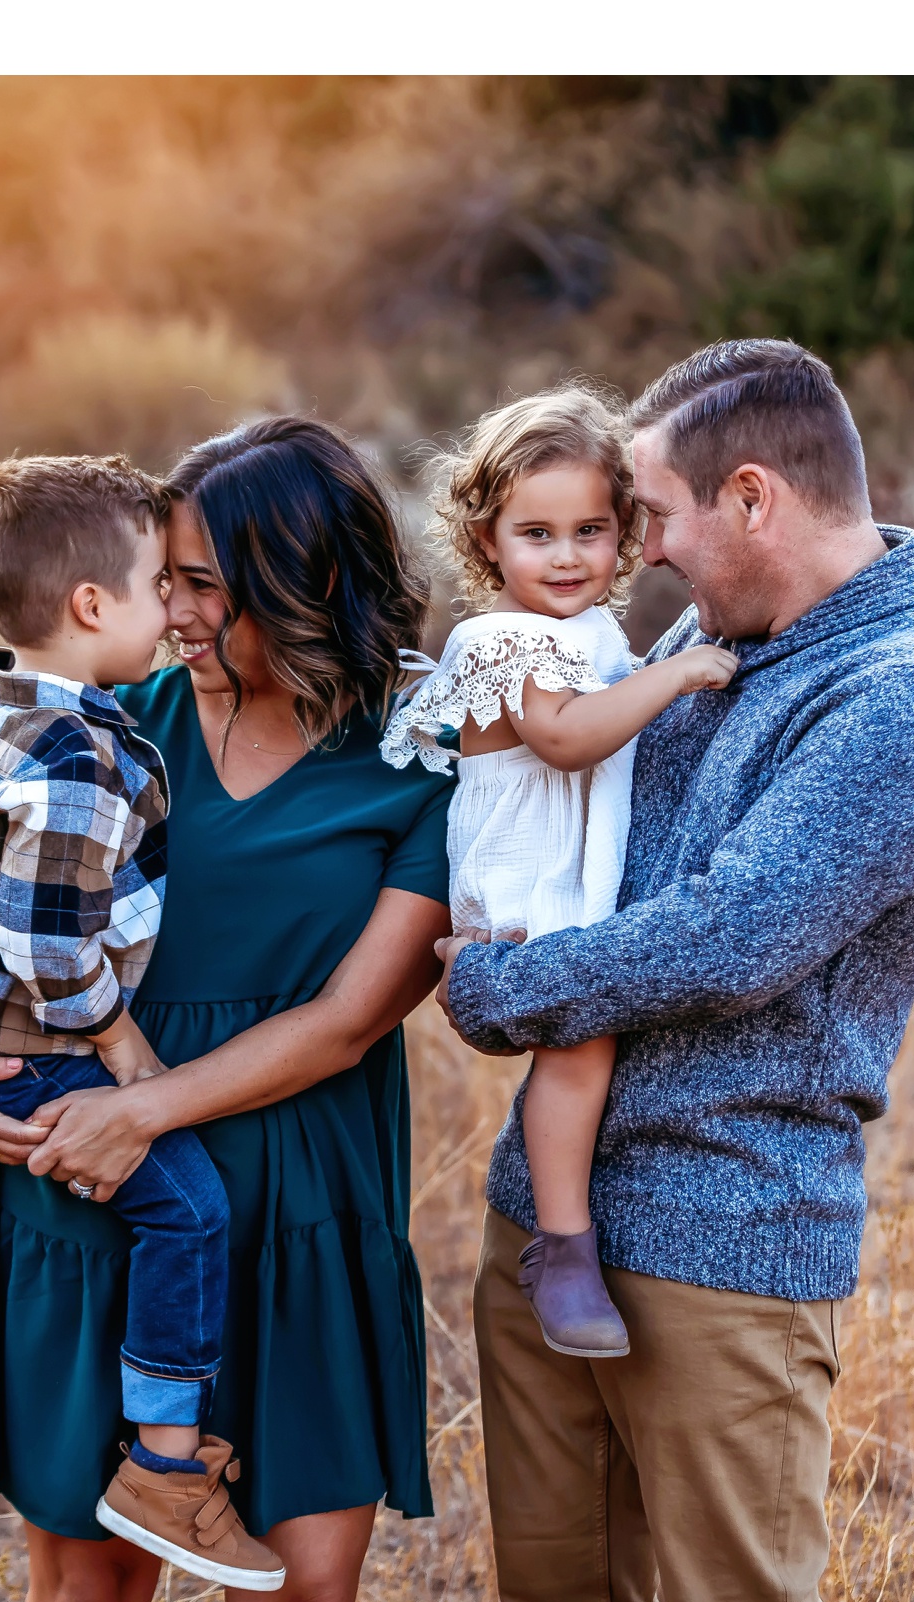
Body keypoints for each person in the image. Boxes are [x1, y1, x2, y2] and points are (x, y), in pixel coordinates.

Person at [436, 340, 914, 1602]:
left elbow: (732, 934)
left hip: (721, 1249)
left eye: (649, 517)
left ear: (750, 499)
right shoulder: (714, 625)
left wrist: (496, 987)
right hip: (547, 1223)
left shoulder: (908, 694)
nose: (636, 552)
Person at [0, 416, 455, 1602]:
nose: (171, 612)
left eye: (199, 583)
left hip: (299, 1202)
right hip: (93, 1194)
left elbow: (353, 1015)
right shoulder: (111, 713)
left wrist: (149, 1111)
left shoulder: (424, 747)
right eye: (161, 579)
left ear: (308, 579)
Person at [0, 452, 285, 1591]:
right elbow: (49, 950)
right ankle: (163, 1462)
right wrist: (124, 1053)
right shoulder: (79, 757)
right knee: (185, 1211)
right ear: (93, 607)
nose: (171, 611)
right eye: (153, 585)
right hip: (36, 1055)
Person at [382, 383, 736, 1357]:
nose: (568, 555)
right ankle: (564, 1246)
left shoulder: (590, 635)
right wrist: (676, 674)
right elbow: (567, 739)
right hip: (523, 881)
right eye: (536, 534)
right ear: (486, 538)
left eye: (590, 529)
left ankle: (574, 1227)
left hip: (574, 873)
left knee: (591, 1050)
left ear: (623, 530)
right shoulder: (499, 639)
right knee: (575, 1050)